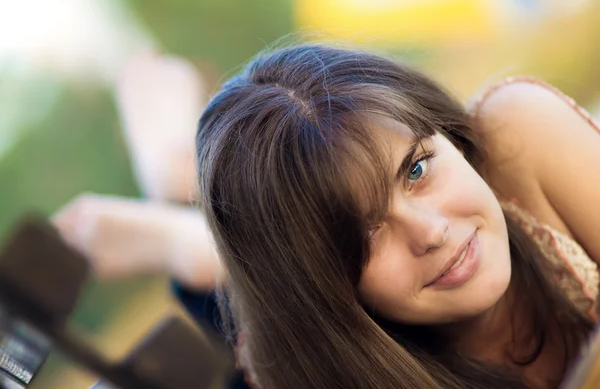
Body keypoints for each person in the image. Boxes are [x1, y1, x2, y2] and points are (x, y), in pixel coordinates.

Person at [54, 44, 600, 389]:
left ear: (446, 134)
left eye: (417, 169)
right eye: (359, 233)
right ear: (323, 282)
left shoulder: (519, 136)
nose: (432, 232)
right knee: (252, 311)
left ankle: (180, 193)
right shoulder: (315, 361)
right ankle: (190, 229)